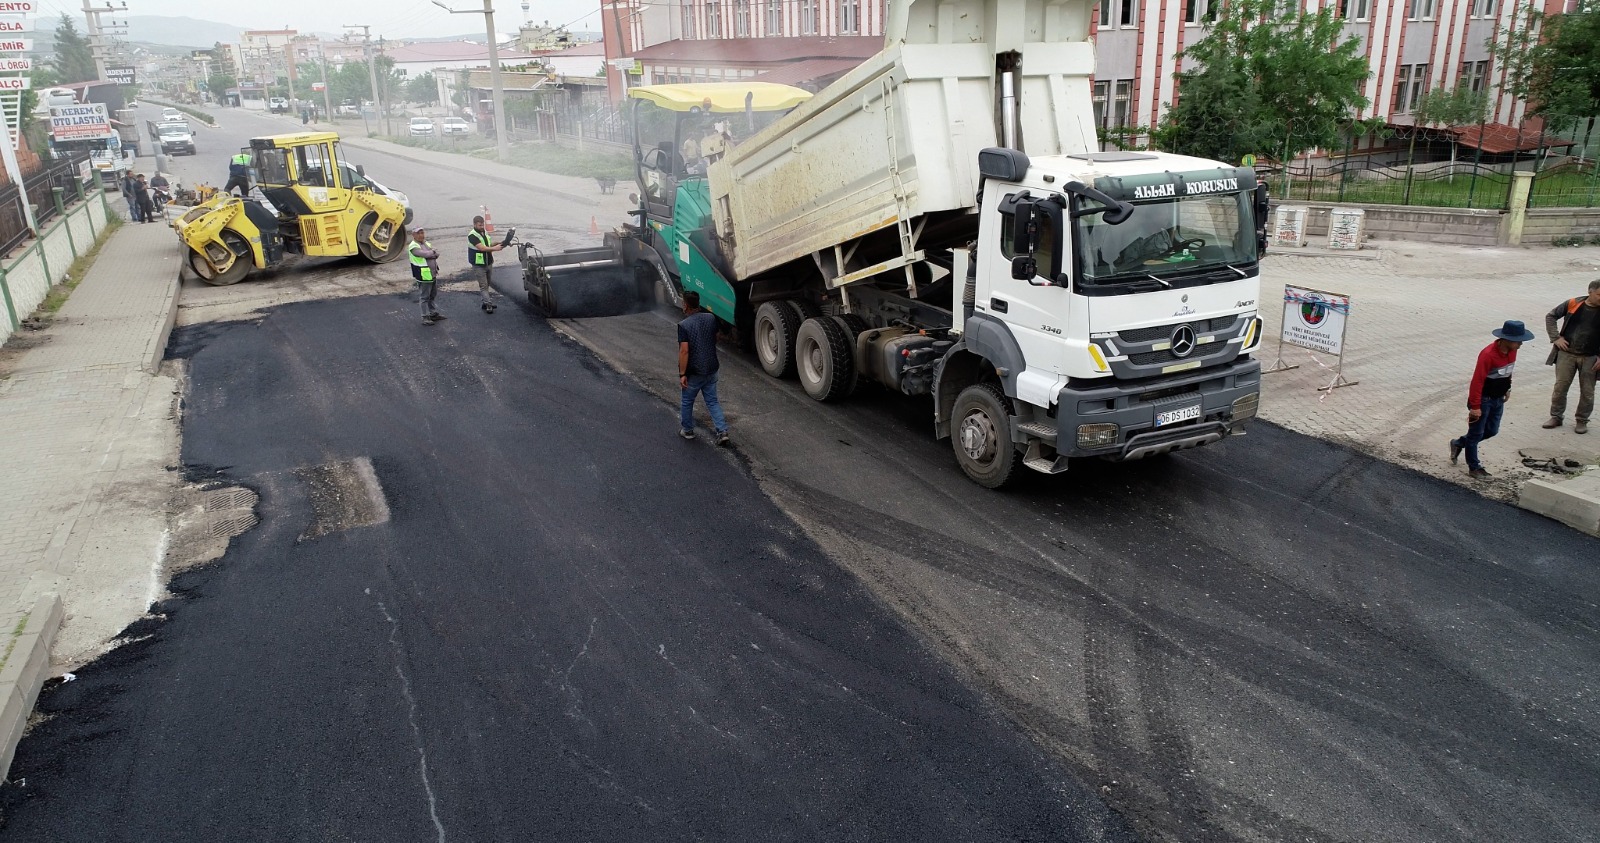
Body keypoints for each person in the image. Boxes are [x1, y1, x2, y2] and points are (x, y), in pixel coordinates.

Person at [1450, 319, 1535, 478]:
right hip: (1483, 400)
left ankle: (1459, 443)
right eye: (1518, 341)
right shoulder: (1488, 355)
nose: (1521, 344)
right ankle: (1474, 467)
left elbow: (1508, 371)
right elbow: (1477, 381)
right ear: (1506, 339)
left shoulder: (1512, 351)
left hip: (1498, 399)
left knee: (1491, 430)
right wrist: (1475, 406)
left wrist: (1508, 388)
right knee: (1475, 434)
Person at [1541, 278, 1600, 435]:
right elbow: (1551, 316)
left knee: (1587, 391)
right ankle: (1556, 417)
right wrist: (1555, 337)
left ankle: (1582, 421)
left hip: (1590, 358)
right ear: (1590, 292)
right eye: (1599, 294)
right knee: (1560, 387)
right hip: (1566, 354)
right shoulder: (1573, 303)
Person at [677, 291, 729, 445]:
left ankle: (687, 430)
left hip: (695, 371)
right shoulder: (711, 318)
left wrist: (682, 374)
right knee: (712, 401)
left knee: (687, 401)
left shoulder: (684, 325)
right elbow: (715, 337)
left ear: (686, 305)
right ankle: (722, 431)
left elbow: (684, 351)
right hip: (712, 368)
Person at [407, 228, 446, 326]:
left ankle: (433, 314)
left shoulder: (426, 243)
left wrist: (431, 253)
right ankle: (425, 317)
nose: (421, 235)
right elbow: (423, 254)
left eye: (422, 233)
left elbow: (436, 254)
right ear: (414, 235)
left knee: (432, 295)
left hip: (432, 274)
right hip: (423, 275)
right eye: (418, 233)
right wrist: (431, 253)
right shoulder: (413, 246)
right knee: (424, 297)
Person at [466, 215, 504, 312]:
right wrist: (494, 249)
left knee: (487, 284)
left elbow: (487, 245)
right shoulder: (472, 235)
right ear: (474, 224)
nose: (482, 227)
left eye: (482, 225)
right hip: (478, 265)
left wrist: (497, 243)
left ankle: (485, 302)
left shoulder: (484, 232)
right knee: (483, 285)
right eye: (479, 225)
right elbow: (482, 248)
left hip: (488, 262)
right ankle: (488, 304)